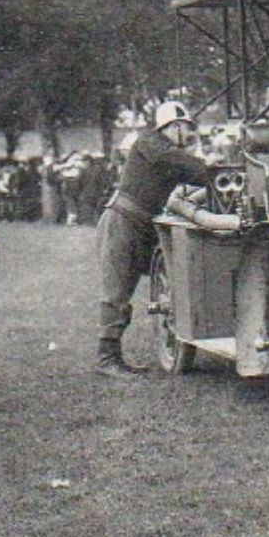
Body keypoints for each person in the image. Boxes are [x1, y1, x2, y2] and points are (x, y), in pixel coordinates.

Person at [94, 100, 211, 378]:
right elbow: (189, 167)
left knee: (128, 288)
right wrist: (210, 168)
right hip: (123, 220)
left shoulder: (168, 151)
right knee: (116, 291)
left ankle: (111, 356)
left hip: (140, 224)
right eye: (186, 128)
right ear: (172, 126)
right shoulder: (150, 142)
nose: (189, 134)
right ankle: (106, 358)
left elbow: (195, 175)